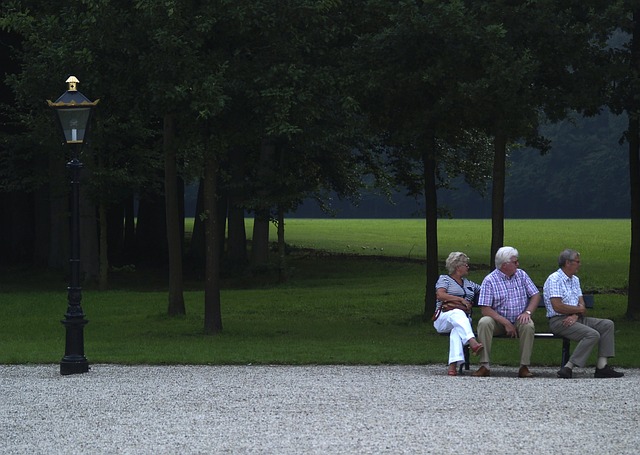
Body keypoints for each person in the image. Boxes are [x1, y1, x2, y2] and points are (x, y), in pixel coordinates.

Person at [543, 249, 624, 379]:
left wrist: (575, 315)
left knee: (607, 324)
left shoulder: (575, 280)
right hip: (559, 321)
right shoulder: (554, 279)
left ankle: (602, 367)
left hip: (576, 319)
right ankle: (568, 367)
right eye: (577, 262)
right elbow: (557, 306)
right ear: (568, 263)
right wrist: (577, 310)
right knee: (592, 334)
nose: (580, 264)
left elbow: (582, 306)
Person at [473, 246, 540, 378]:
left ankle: (524, 366)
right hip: (498, 321)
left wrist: (527, 313)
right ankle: (484, 365)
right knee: (484, 322)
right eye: (515, 262)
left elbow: (536, 295)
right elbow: (485, 308)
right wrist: (505, 323)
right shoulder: (489, 280)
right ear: (504, 265)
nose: (518, 264)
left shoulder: (522, 275)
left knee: (528, 325)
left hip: (519, 319)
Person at [433, 252, 484, 376]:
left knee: (457, 329)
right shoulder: (444, 279)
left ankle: (453, 366)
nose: (468, 267)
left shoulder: (469, 283)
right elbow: (440, 295)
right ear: (457, 267)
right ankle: (472, 342)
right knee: (457, 313)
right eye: (465, 264)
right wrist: (460, 300)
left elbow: (485, 289)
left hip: (463, 321)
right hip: (443, 318)